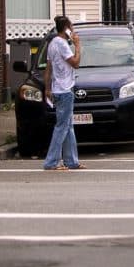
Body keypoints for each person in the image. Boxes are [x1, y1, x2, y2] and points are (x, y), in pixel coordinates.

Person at [42, 16, 84, 170]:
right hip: (65, 90)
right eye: (71, 27)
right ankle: (51, 161)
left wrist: (47, 88)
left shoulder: (52, 44)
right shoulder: (62, 44)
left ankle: (71, 161)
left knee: (68, 126)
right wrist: (77, 45)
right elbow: (76, 63)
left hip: (57, 88)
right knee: (62, 127)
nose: (72, 30)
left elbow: (48, 68)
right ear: (66, 28)